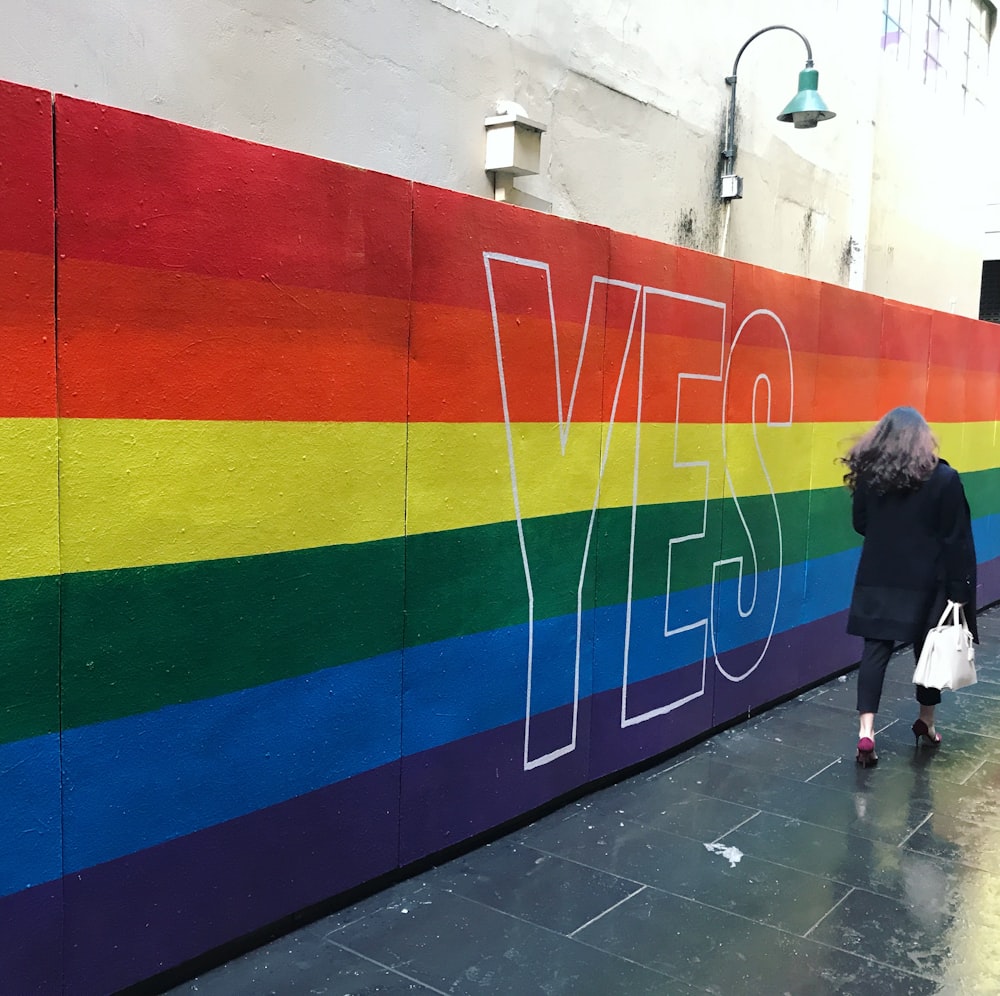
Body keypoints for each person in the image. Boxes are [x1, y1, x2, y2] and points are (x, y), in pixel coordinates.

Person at [840, 406, 977, 767]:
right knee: (928, 651)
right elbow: (955, 538)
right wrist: (959, 591)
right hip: (927, 582)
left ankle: (866, 732)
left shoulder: (871, 477)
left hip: (879, 576)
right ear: (923, 438)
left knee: (875, 651)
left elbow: (861, 523)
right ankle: (926, 723)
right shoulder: (945, 479)